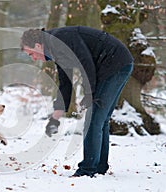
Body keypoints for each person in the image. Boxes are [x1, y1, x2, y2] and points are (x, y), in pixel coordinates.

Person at [20, 26, 134, 177]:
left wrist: (89, 94)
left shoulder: (61, 38)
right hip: (117, 64)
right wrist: (55, 118)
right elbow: (65, 83)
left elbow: (86, 62)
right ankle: (99, 166)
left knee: (94, 119)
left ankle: (88, 170)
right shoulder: (55, 48)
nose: (33, 58)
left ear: (38, 46)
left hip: (114, 63)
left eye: (31, 54)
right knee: (101, 119)